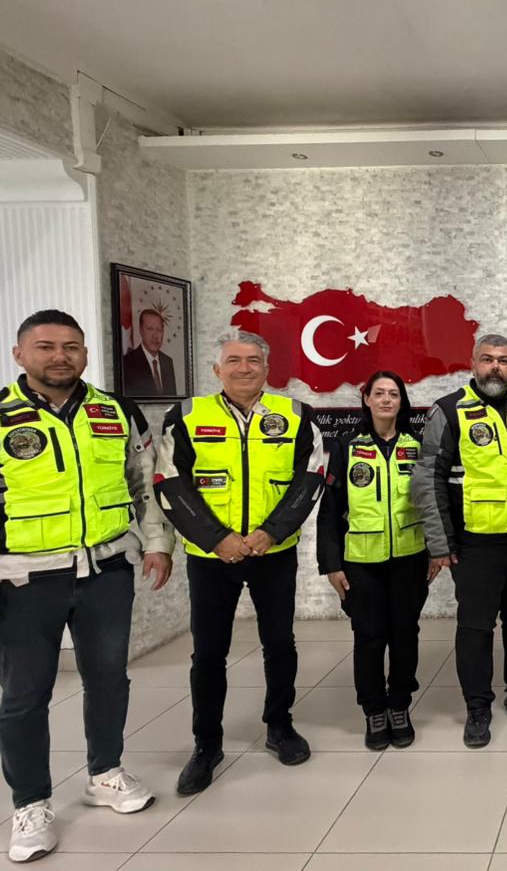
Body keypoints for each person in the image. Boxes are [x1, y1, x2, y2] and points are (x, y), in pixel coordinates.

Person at [0, 309, 173, 864]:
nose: (60, 356)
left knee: (109, 680)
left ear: (85, 354)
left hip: (107, 570)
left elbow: (144, 484)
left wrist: (157, 542)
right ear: (19, 354)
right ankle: (30, 804)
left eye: (71, 347)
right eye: (46, 346)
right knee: (25, 696)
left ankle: (105, 773)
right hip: (23, 579)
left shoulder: (116, 411)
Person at [154, 330, 326, 795]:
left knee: (280, 643)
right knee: (209, 652)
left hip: (273, 553)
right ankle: (206, 744)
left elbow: (311, 478)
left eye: (253, 360)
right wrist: (217, 539)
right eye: (234, 360)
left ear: (267, 369)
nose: (244, 368)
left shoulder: (296, 415)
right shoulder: (187, 416)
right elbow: (169, 481)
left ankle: (280, 726)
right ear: (217, 369)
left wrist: (271, 532)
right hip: (211, 557)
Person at [413, 333, 507, 747]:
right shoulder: (449, 410)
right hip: (476, 544)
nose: (496, 367)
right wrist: (440, 543)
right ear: (473, 363)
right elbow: (427, 478)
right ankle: (477, 706)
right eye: (488, 359)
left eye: (504, 361)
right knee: (476, 627)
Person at [317, 370, 432, 750]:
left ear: (402, 402)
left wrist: (437, 550)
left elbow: (432, 504)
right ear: (366, 399)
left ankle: (399, 705)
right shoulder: (346, 447)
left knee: (405, 634)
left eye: (393, 394)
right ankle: (373, 710)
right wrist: (331, 564)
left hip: (410, 558)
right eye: (379, 393)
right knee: (369, 636)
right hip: (361, 561)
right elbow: (330, 511)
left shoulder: (417, 446)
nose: (386, 400)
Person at [121, 309, 179, 397]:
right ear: (141, 330)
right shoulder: (127, 363)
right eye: (150, 329)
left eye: (159, 330)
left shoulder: (167, 362)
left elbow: (173, 399)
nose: (155, 336)